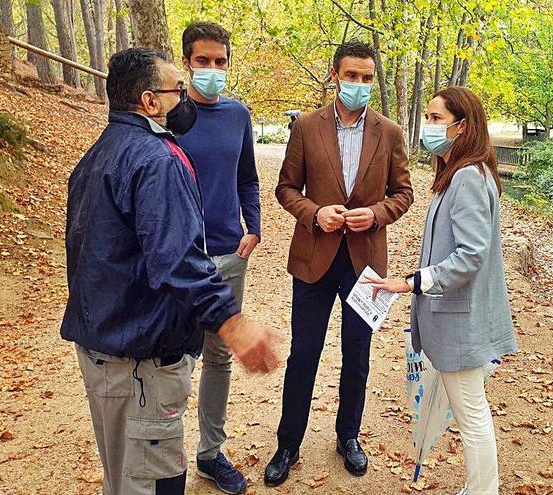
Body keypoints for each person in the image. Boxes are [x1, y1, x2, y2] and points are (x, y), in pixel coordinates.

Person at [61, 47, 280, 495]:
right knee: (152, 481)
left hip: (106, 351)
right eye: (176, 90)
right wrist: (232, 323)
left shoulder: (98, 154)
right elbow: (176, 260)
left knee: (123, 474)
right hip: (139, 361)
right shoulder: (156, 159)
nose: (184, 97)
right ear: (149, 101)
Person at [267, 39, 414, 487]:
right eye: (351, 76)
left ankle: (348, 436)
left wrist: (377, 214)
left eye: (367, 78)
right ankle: (288, 443)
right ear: (335, 76)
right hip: (314, 258)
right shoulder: (307, 128)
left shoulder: (388, 132)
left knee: (358, 356)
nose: (359, 84)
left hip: (364, 261)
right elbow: (286, 188)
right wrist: (314, 213)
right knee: (304, 354)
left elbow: (404, 194)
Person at [365, 86, 518, 495]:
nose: (428, 126)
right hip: (452, 318)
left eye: (436, 119)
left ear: (461, 126)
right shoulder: (456, 174)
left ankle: (483, 490)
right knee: (471, 412)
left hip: (460, 321)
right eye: (427, 117)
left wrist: (414, 281)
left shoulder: (468, 176)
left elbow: (471, 256)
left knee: (471, 415)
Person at [175, 21, 260, 494]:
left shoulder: (238, 115)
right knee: (174, 357)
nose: (212, 70)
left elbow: (247, 177)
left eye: (220, 62)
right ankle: (167, 457)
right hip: (180, 259)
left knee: (219, 357)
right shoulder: (169, 115)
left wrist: (255, 228)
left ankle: (210, 453)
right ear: (187, 61)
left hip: (229, 253)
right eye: (203, 61)